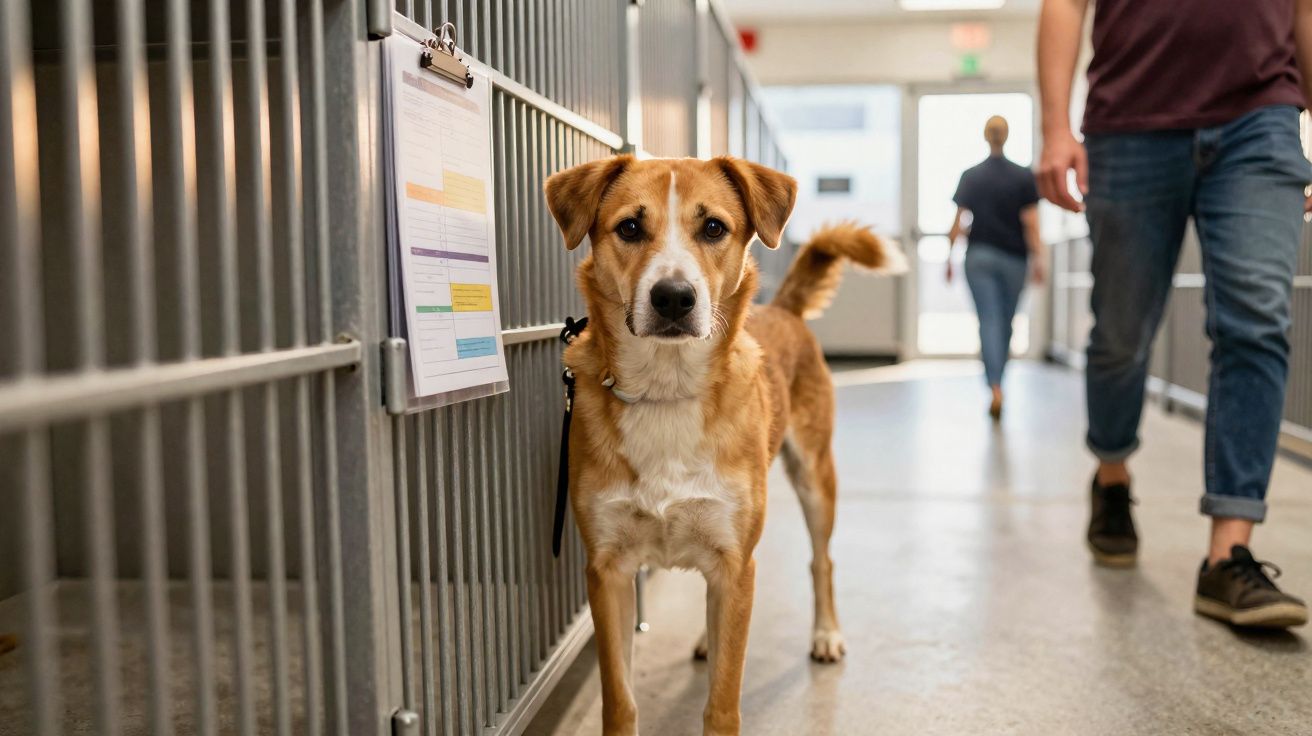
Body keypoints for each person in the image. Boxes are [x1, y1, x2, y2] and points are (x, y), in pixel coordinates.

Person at [1037, 0, 1309, 627]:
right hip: (1131, 121)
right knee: (1120, 337)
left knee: (1257, 322)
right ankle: (1111, 474)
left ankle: (1228, 552)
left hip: (1260, 117)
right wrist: (1056, 128)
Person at [946, 116, 1045, 420]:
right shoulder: (1023, 176)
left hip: (978, 257)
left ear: (986, 136)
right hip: (1014, 258)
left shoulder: (971, 176)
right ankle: (999, 382)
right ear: (1006, 136)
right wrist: (1039, 258)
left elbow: (958, 223)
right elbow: (1030, 223)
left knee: (988, 321)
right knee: (1005, 322)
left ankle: (995, 387)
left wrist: (949, 257)